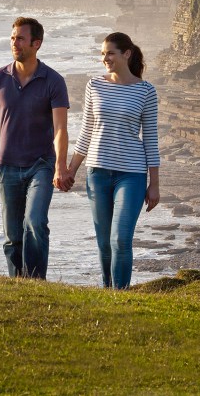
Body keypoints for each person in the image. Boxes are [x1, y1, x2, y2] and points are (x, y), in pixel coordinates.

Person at [58, 32, 160, 289]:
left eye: (110, 53)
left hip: (132, 175)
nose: (105, 58)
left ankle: (121, 296)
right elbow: (87, 131)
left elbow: (150, 138)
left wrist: (155, 183)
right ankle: (108, 292)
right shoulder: (94, 85)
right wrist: (70, 169)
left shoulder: (146, 91)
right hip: (98, 173)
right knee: (104, 243)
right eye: (102, 53)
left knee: (121, 239)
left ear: (126, 54)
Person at [0, 17, 70, 279]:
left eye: (20, 38)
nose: (14, 43)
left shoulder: (53, 81)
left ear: (36, 43)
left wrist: (60, 166)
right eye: (12, 38)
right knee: (12, 235)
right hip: (7, 166)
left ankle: (35, 283)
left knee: (34, 223)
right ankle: (17, 284)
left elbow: (60, 129)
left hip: (41, 166)